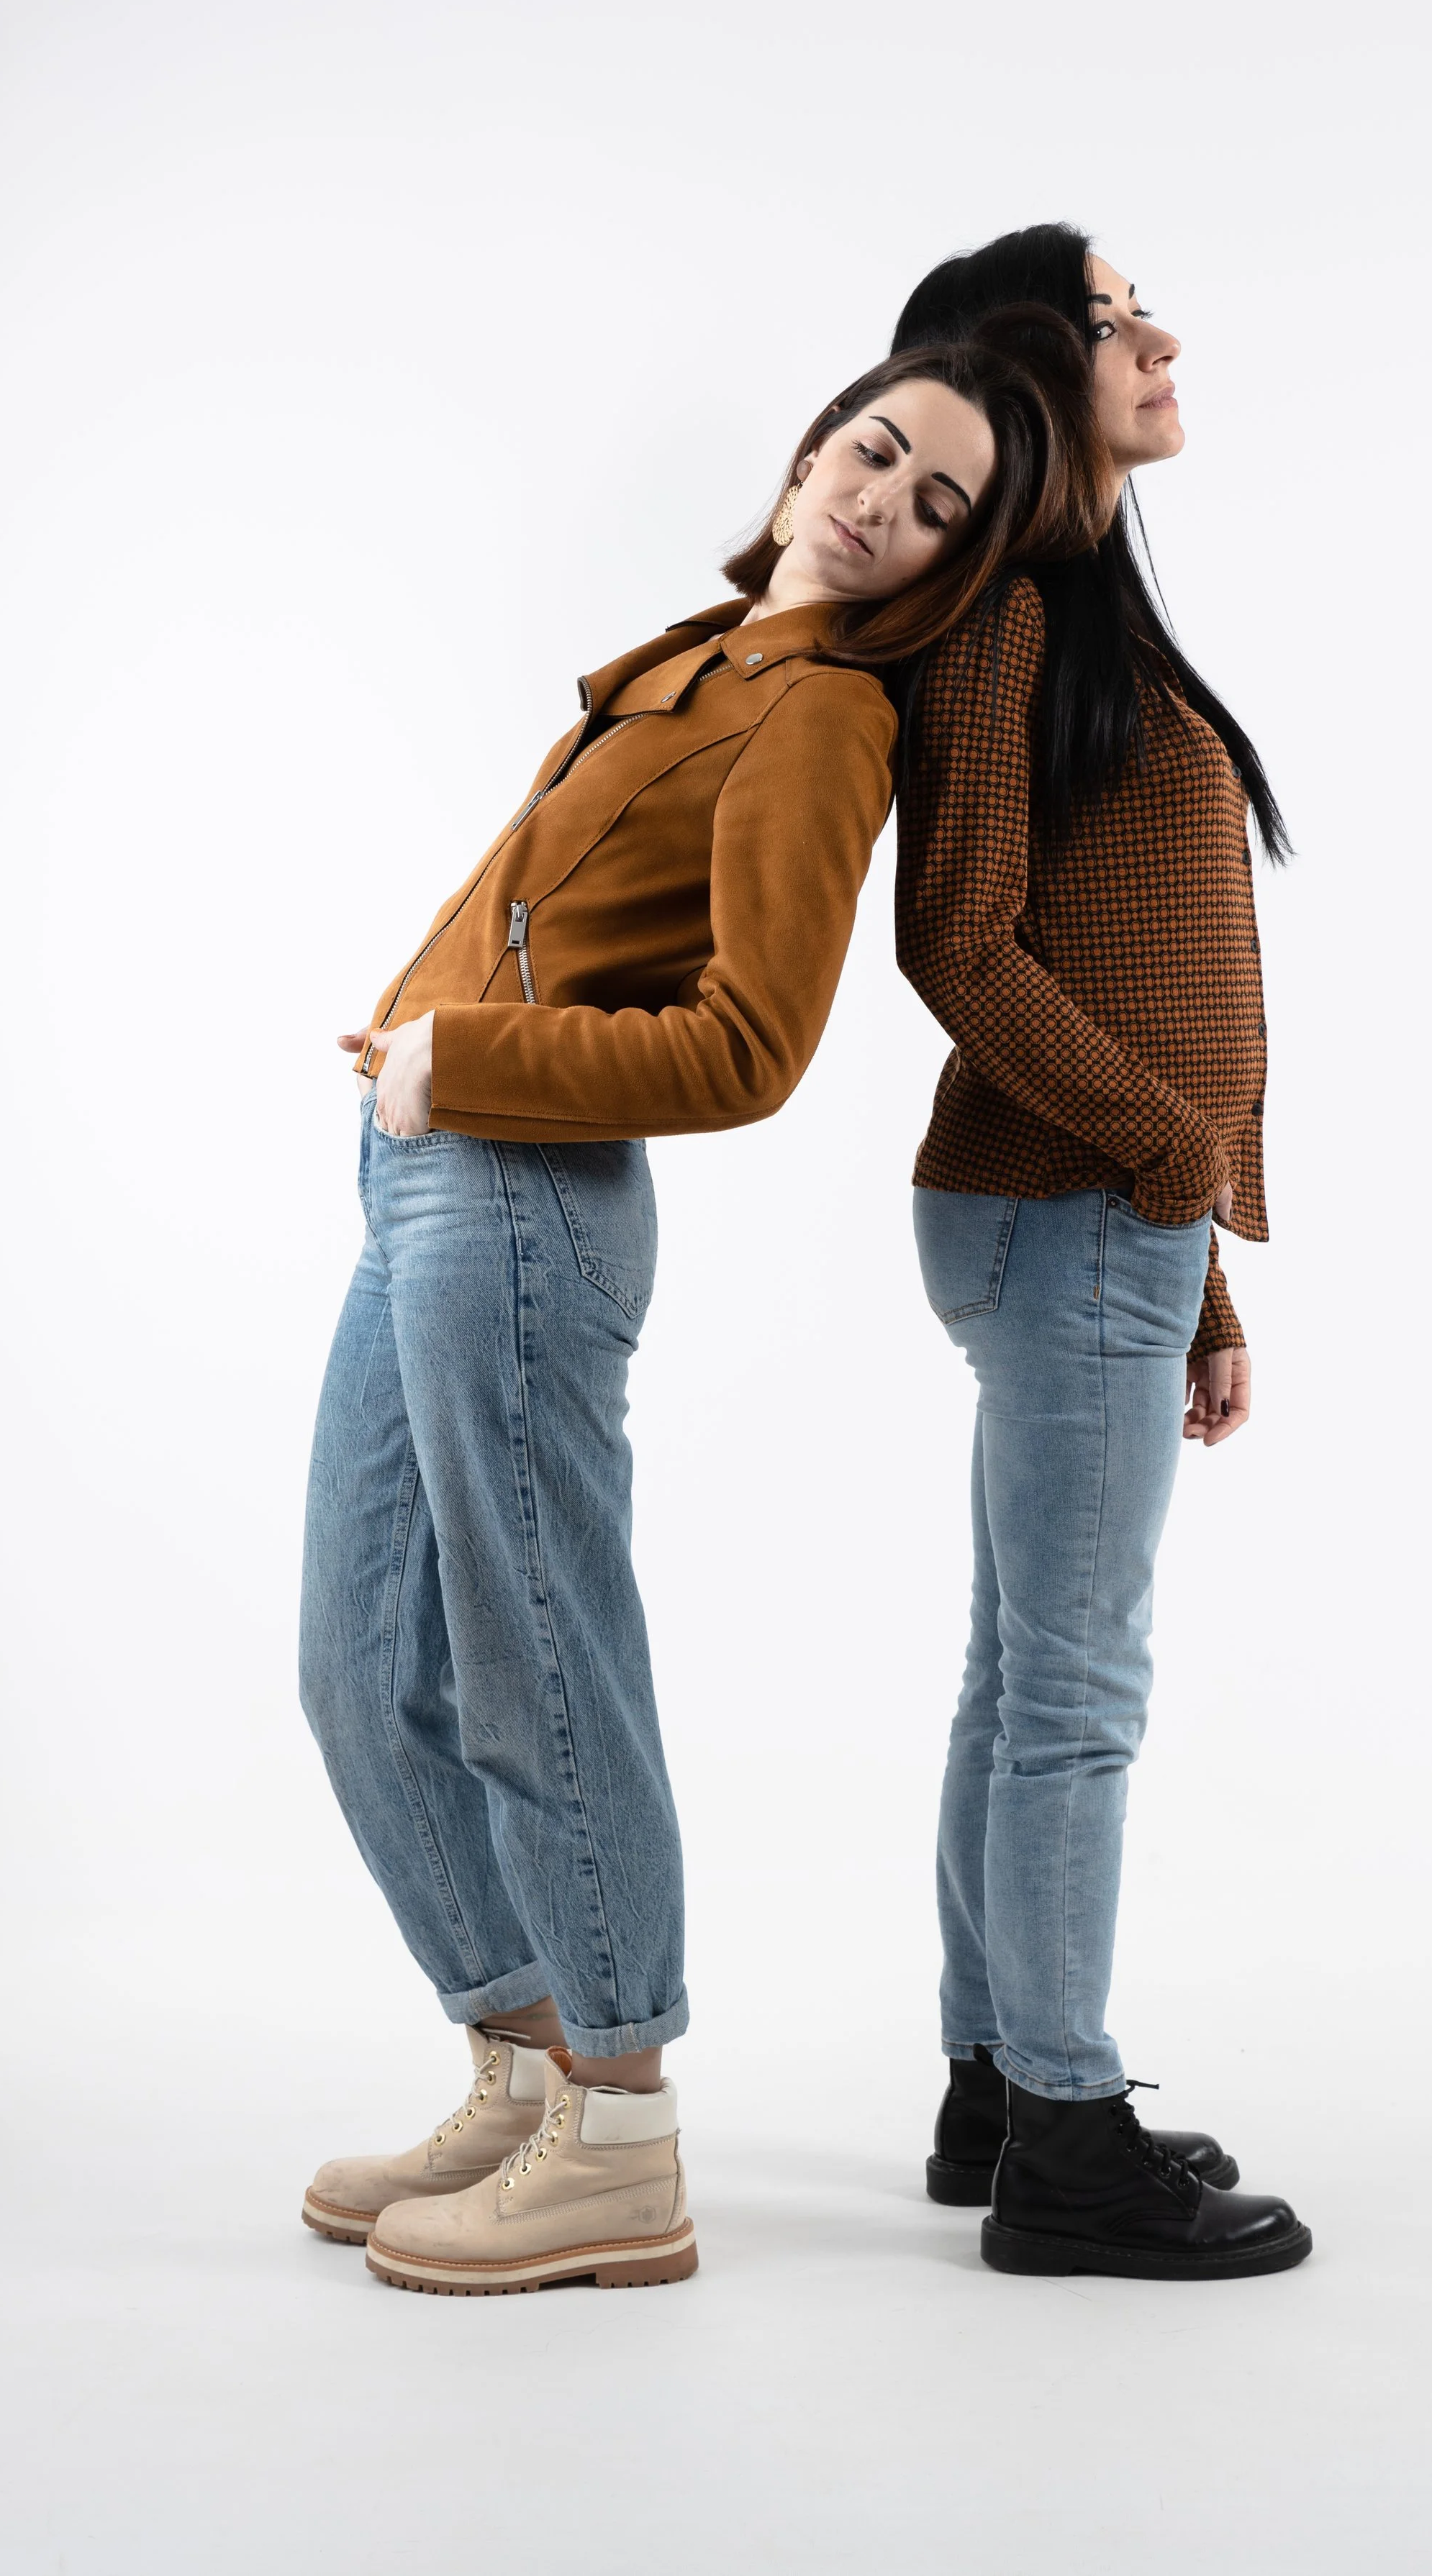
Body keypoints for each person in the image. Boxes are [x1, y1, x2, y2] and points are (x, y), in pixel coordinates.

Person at [298, 332, 1090, 2296]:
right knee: (354, 1658)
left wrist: (452, 1062)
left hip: (518, 1193)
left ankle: (621, 2132)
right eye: (876, 451)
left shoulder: (823, 714)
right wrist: (412, 1052)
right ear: (824, 428)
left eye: (932, 512)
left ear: (951, 566)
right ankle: (528, 2061)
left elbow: (748, 1048)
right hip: (427, 1168)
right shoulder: (710, 646)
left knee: (528, 1655)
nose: (878, 503)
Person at [892, 225, 1312, 2279]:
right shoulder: (994, 630)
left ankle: (994, 2082)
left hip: (1093, 1226)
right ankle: (1064, 2125)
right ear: (1027, 367)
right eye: (1112, 311)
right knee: (1075, 1692)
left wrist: (1201, 1269)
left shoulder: (1085, 623)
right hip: (1066, 1207)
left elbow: (1134, 969)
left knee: (1016, 1675)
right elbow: (952, 943)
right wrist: (1165, 1160)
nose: (1158, 337)